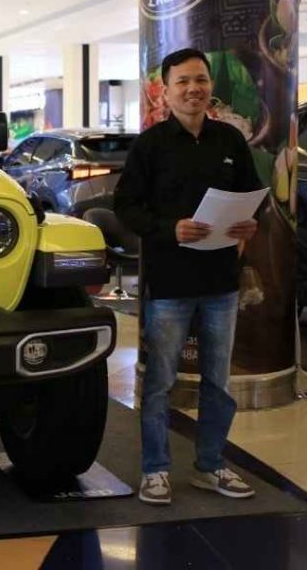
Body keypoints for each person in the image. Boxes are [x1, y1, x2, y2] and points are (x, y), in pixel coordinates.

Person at [113, 48, 260, 506]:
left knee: (218, 382)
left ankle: (210, 466)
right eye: (183, 81)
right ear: (166, 90)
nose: (193, 89)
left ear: (211, 85)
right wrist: (168, 228)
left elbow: (250, 195)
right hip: (169, 283)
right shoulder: (150, 145)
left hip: (221, 281)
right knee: (160, 382)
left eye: (201, 80)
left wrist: (249, 224)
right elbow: (126, 207)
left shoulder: (230, 141)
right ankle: (155, 469)